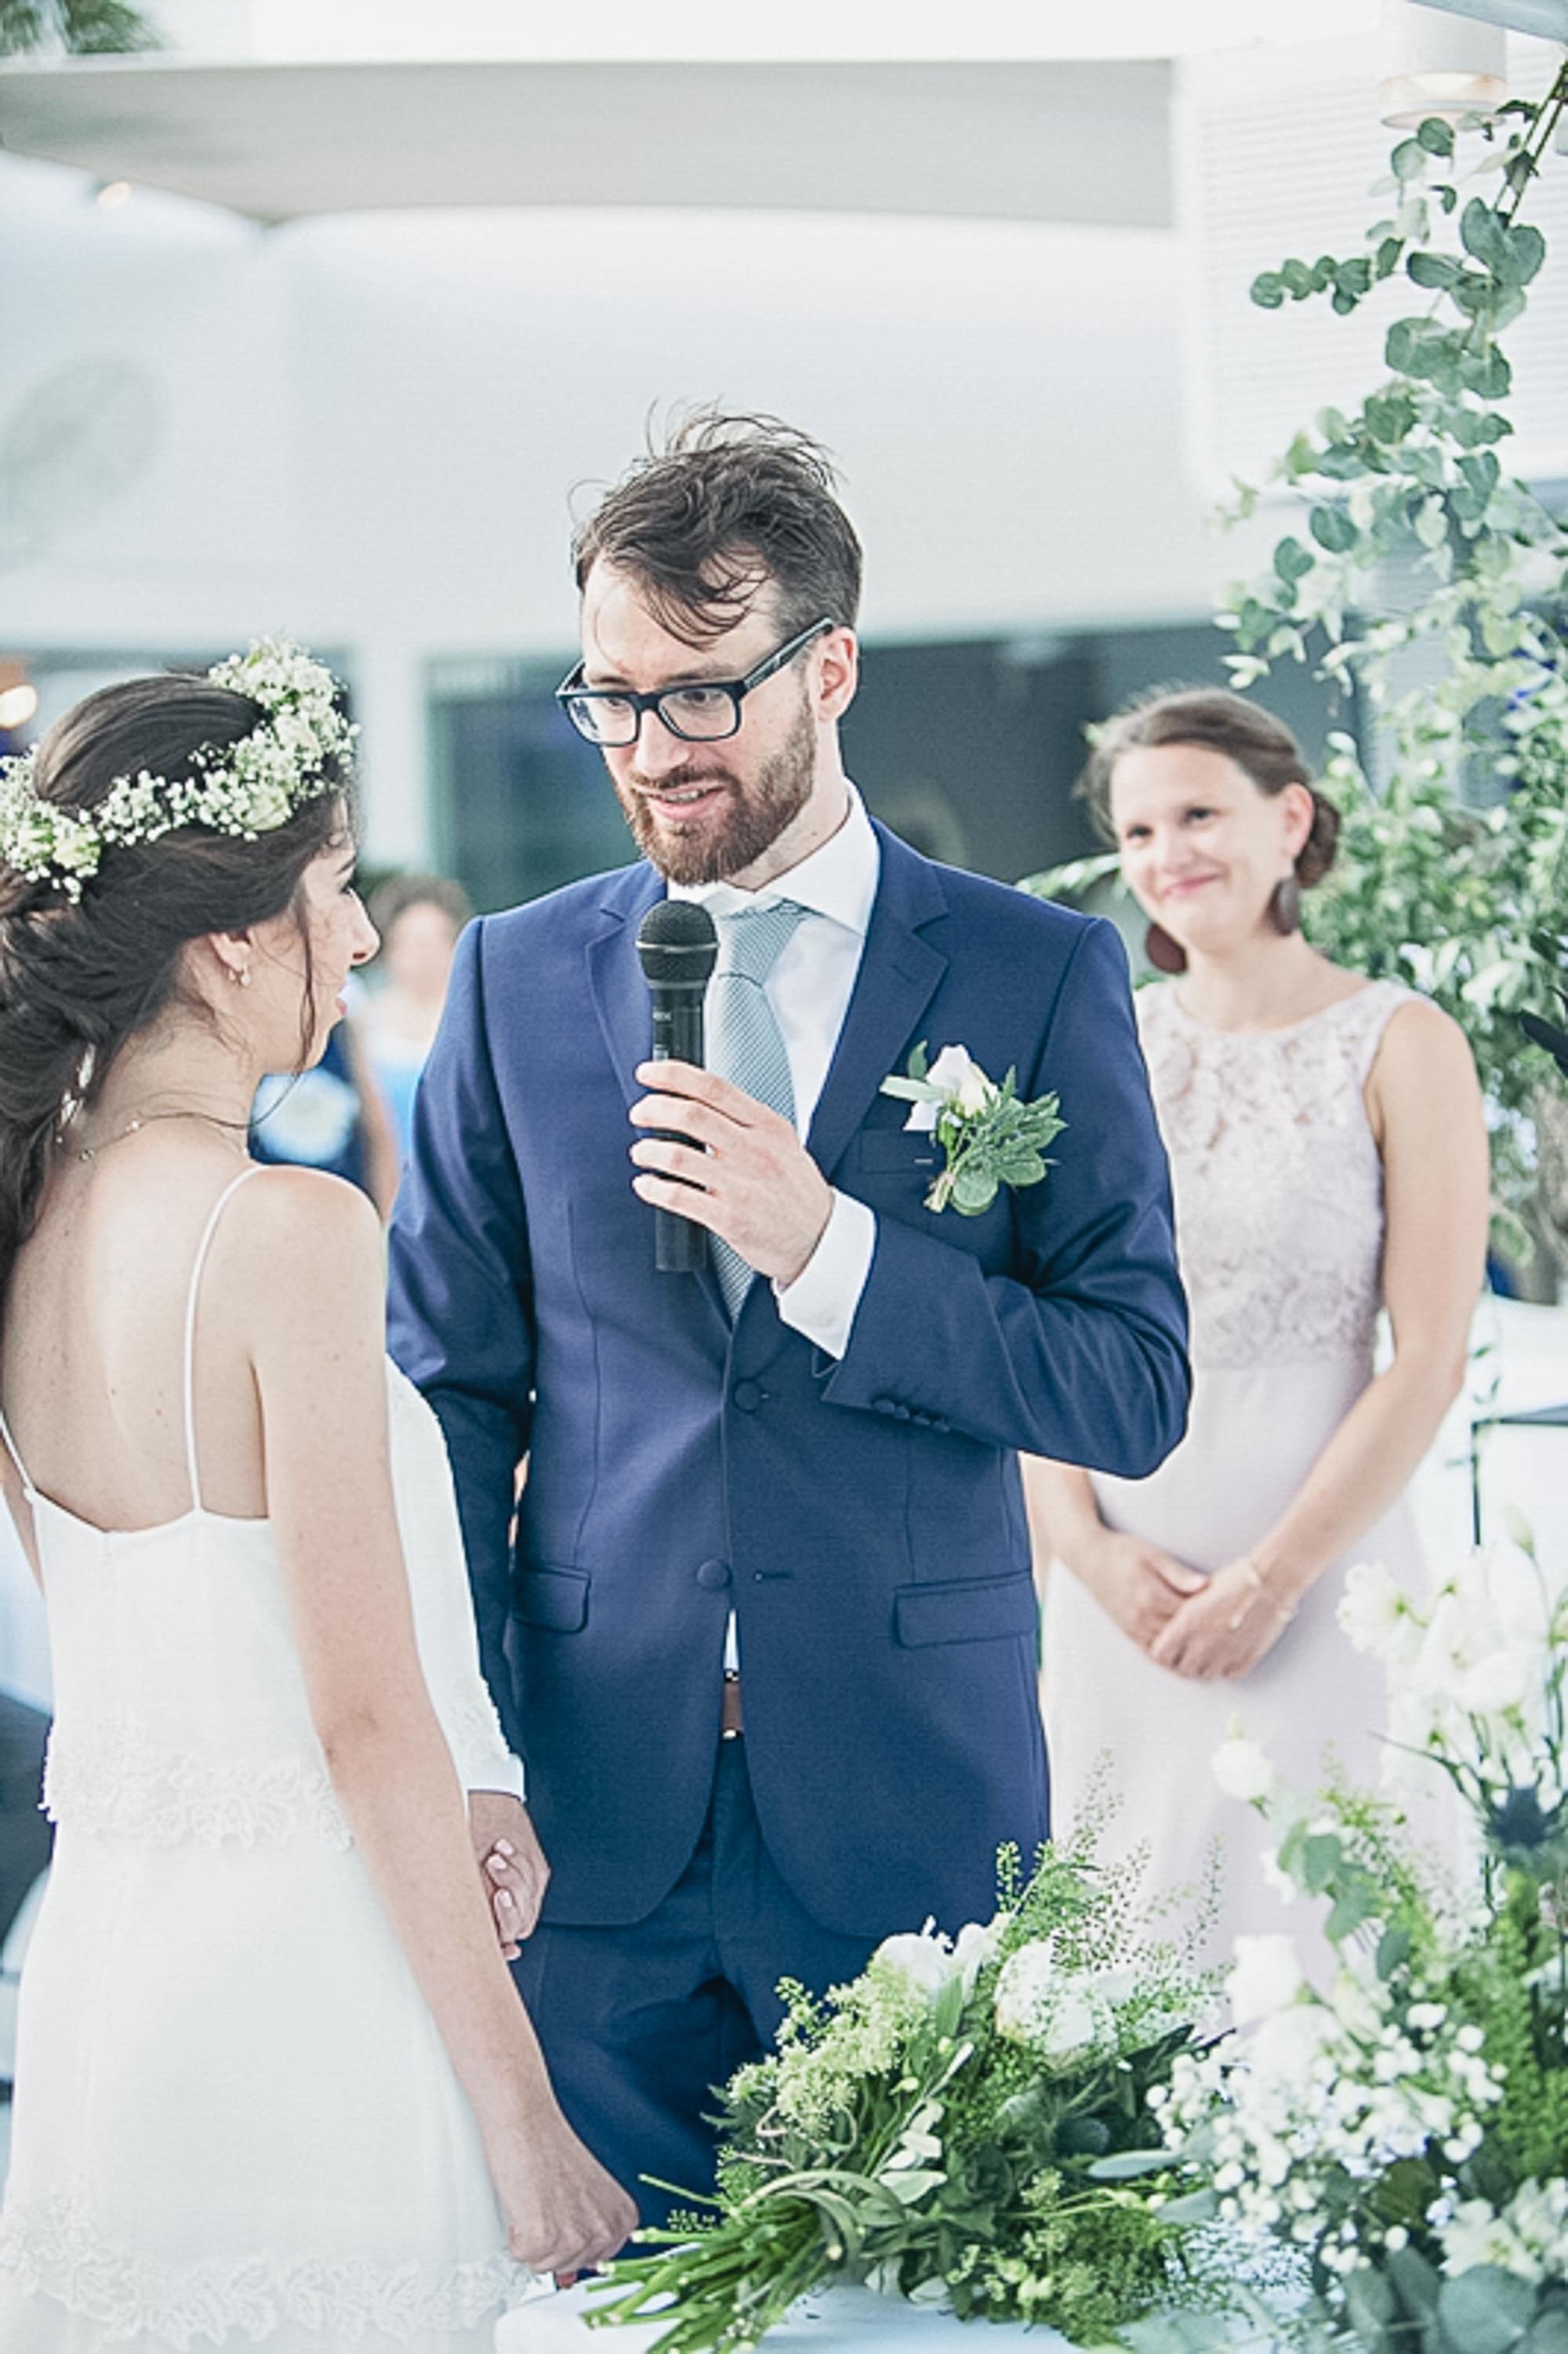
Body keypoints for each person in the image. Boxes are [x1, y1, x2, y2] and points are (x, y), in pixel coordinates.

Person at [387, 412, 1191, 2229]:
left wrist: (832, 1248)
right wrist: (473, 1746)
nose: (649, 747)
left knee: (939, 2303)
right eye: (609, 695)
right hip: (592, 1817)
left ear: (827, 665)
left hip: (912, 1793)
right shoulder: (517, 978)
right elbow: (445, 1396)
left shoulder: (1030, 970)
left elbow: (1130, 1385)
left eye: (700, 693)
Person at [0, 643, 633, 2350]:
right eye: (336, 889)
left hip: (109, 1999)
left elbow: (155, 1653)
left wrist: (480, 1779)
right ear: (227, 937)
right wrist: (526, 2127)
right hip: (312, 2002)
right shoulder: (286, 1232)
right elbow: (356, 1719)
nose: (359, 937)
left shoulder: (27, 1231)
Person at [1027, 688, 1489, 1974]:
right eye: (1139, 830)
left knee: (1339, 1948)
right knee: (1126, 1957)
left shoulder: (1401, 1042)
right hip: (1123, 1597)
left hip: (1328, 1584)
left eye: (1198, 814)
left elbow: (1432, 1356)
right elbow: (1037, 1329)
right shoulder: (1098, 1041)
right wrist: (1083, 1553)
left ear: (1289, 820)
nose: (1169, 852)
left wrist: (1276, 1578)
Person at [363, 874, 474, 1160]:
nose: (423, 957)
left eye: (433, 942)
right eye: (410, 943)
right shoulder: (364, 1020)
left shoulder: (474, 1020)